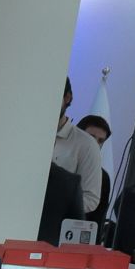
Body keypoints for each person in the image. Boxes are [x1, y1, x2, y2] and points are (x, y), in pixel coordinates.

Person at [51, 78, 106, 219]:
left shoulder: (86, 144)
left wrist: (53, 205)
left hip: (52, 223)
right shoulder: (25, 133)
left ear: (67, 98)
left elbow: (91, 198)